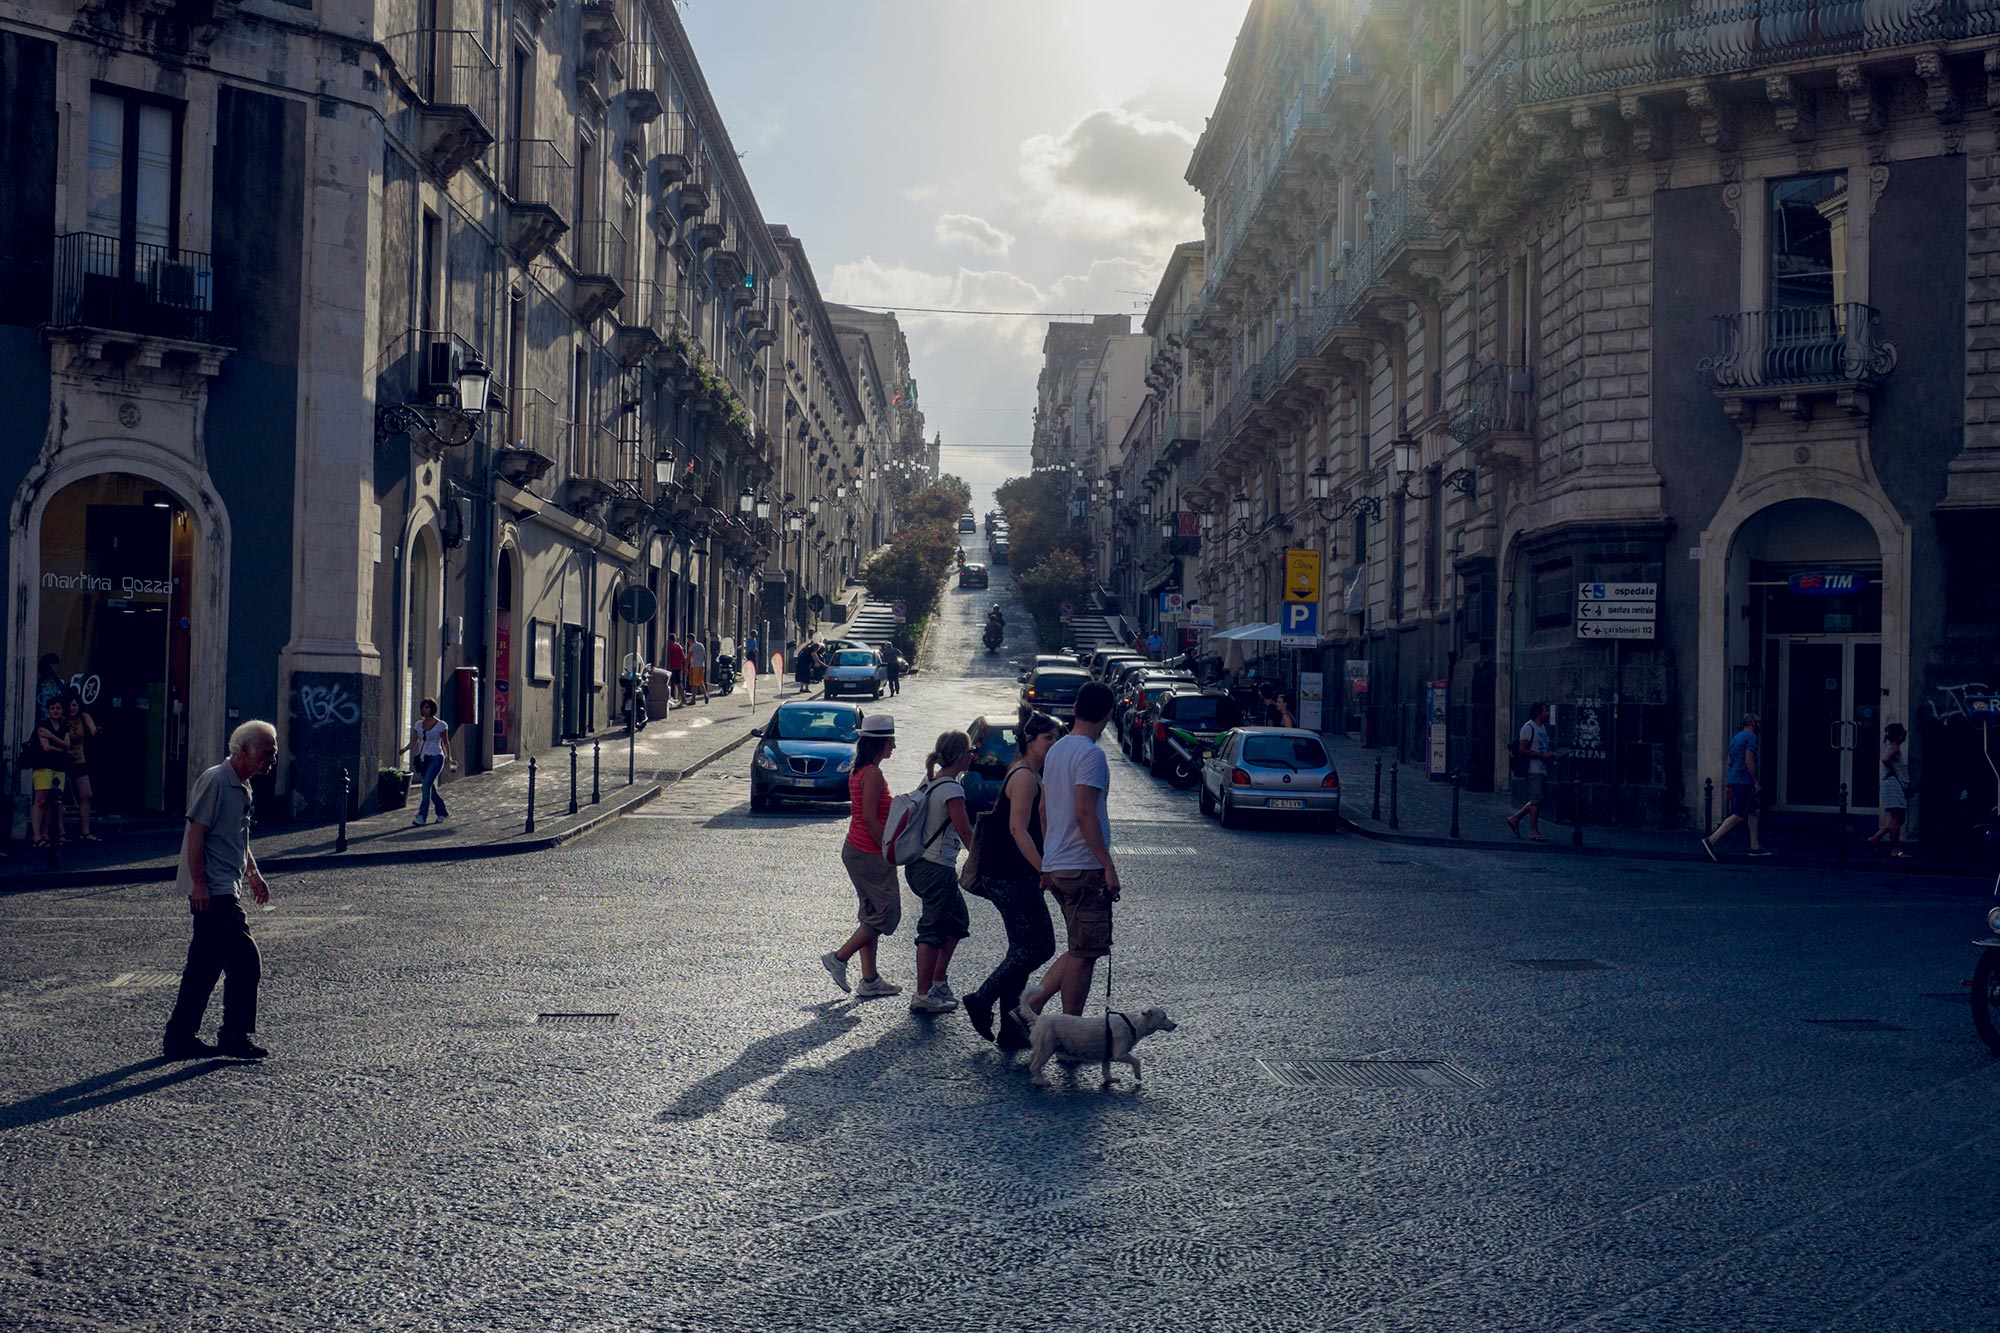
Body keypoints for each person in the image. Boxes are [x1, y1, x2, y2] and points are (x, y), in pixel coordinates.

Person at [162, 720, 277, 1060]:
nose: (271, 759)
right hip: (214, 890)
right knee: (245, 960)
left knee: (205, 966)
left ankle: (179, 1037)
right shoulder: (215, 780)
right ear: (243, 751)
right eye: (266, 752)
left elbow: (236, 837)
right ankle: (233, 1035)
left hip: (226, 884)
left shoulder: (243, 784)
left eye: (274, 753)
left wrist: (253, 873)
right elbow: (196, 834)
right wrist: (199, 883)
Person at [1019, 680, 1120, 1023]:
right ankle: (1059, 1026)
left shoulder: (1057, 750)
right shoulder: (1091, 755)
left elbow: (1044, 811)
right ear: (1108, 714)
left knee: (1079, 947)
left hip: (1060, 865)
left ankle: (1036, 1010)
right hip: (1084, 866)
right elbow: (1084, 811)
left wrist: (1048, 860)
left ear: (1075, 708)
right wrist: (1107, 866)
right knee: (1085, 952)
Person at [964, 711, 1062, 1049]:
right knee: (1040, 946)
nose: (1053, 744)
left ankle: (1010, 1029)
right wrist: (1043, 869)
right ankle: (981, 998)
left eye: (1056, 738)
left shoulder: (1028, 772)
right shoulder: (1024, 777)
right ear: (1030, 740)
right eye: (1048, 738)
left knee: (1021, 948)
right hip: (1010, 873)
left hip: (1011, 872)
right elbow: (1018, 830)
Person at [821, 714, 904, 999]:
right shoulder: (873, 774)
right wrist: (888, 848)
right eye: (891, 742)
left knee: (871, 914)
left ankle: (870, 979)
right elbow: (870, 818)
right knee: (887, 914)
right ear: (881, 744)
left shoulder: (859, 771)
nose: (894, 747)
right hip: (869, 852)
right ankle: (839, 958)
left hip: (855, 849)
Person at [906, 730, 977, 1015]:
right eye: (970, 752)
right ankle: (923, 993)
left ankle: (937, 982)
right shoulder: (952, 789)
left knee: (958, 920)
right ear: (960, 755)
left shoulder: (931, 782)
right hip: (936, 867)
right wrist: (981, 859)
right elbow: (964, 829)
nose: (972, 757)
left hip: (921, 865)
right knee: (932, 930)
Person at [1702, 712, 1770, 859]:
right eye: (1758, 722)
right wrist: (1756, 781)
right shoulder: (1751, 738)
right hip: (1743, 781)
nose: (1759, 725)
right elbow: (1749, 761)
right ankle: (1711, 840)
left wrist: (1729, 781)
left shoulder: (1736, 737)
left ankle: (1754, 846)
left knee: (1754, 810)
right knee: (1738, 815)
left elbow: (1729, 761)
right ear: (1752, 723)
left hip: (1735, 779)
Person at [1506, 702, 1555, 842]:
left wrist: (1550, 756)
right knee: (1536, 799)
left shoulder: (1542, 728)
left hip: (1541, 769)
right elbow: (1522, 750)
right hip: (1533, 769)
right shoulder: (1528, 728)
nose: (1547, 714)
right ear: (1539, 713)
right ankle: (1533, 832)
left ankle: (1514, 819)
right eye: (1545, 711)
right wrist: (1542, 756)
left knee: (1538, 799)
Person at [403, 697, 455, 826]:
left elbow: (445, 742)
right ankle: (442, 812)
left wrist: (449, 758)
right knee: (430, 788)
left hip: (436, 757)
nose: (424, 709)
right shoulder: (418, 725)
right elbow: (415, 740)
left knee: (425, 786)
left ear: (432, 709)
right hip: (423, 759)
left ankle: (422, 816)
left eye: (427, 707)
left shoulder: (441, 725)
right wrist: (404, 749)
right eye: (423, 707)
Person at [29, 696, 70, 849]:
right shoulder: (42, 726)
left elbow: (67, 745)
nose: (55, 711)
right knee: (40, 801)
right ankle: (36, 836)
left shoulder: (64, 727)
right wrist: (63, 750)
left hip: (59, 767)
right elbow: (46, 748)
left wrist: (52, 737)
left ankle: (45, 834)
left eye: (58, 708)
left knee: (53, 802)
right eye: (52, 708)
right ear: (48, 710)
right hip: (43, 765)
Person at [1867, 722, 1912, 858]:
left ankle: (1875, 838)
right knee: (1896, 819)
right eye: (1903, 732)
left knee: (1899, 819)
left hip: (1893, 785)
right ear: (1899, 736)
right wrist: (1892, 771)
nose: (1905, 733)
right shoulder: (1895, 747)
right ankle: (1895, 850)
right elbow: (1885, 759)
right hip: (1893, 786)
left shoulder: (1892, 746)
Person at [64, 688, 102, 842]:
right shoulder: (61, 719)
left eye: (74, 705)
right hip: (63, 758)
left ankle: (85, 831)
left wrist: (96, 731)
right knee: (58, 795)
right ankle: (60, 833)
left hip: (79, 758)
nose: (72, 708)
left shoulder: (84, 717)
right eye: (69, 706)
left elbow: (92, 730)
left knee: (86, 794)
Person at [664, 634, 686, 708]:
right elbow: (683, 657)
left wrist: (668, 666)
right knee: (678, 683)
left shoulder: (670, 647)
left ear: (670, 640)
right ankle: (682, 698)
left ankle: (683, 699)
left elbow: (669, 658)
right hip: (679, 666)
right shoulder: (679, 646)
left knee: (678, 683)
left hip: (673, 667)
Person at [687, 633, 709, 704]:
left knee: (694, 684)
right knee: (700, 682)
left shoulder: (692, 647)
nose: (688, 641)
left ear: (691, 639)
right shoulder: (701, 645)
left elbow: (688, 657)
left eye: (688, 639)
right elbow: (705, 655)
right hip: (701, 666)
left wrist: (685, 666)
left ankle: (693, 700)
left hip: (694, 666)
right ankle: (705, 695)